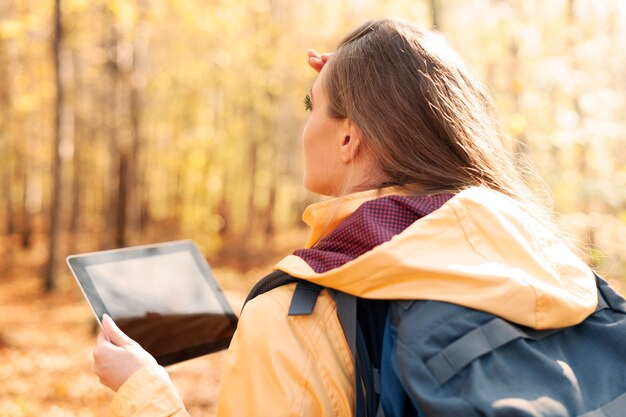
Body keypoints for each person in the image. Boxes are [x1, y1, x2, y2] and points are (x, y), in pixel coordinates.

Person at [92, 18, 597, 417]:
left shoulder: (298, 313)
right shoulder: (549, 264)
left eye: (310, 106)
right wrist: (373, 69)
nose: (305, 124)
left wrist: (145, 393)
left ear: (349, 137)